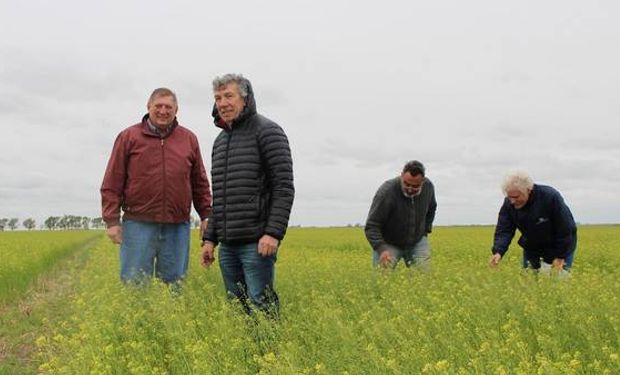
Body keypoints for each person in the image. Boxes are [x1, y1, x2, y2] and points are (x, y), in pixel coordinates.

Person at [201, 74, 294, 317]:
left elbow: (283, 187)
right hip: (228, 244)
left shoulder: (268, 131)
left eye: (229, 96)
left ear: (245, 98)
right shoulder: (220, 142)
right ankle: (247, 353)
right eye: (218, 98)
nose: (223, 103)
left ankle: (270, 353)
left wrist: (272, 233)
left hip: (257, 241)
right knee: (236, 306)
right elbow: (219, 196)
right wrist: (210, 239)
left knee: (261, 304)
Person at [101, 88, 212, 284]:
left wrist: (206, 215)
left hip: (177, 225)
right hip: (138, 224)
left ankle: (169, 316)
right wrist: (111, 220)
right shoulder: (128, 137)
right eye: (158, 106)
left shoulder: (189, 139)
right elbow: (112, 180)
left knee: (174, 286)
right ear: (148, 107)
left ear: (176, 109)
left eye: (168, 107)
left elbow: (199, 182)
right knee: (134, 285)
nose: (163, 111)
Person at [489, 170, 577, 272]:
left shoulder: (550, 197)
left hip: (559, 246)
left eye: (516, 197)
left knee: (558, 282)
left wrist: (560, 257)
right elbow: (504, 229)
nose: (512, 201)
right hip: (532, 247)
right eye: (509, 197)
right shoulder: (509, 204)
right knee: (530, 281)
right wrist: (498, 252)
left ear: (528, 190)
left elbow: (565, 229)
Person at [365, 160, 437, 270]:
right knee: (382, 279)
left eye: (415, 186)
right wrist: (381, 248)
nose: (410, 189)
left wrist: (425, 231)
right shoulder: (387, 191)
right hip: (389, 243)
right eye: (407, 184)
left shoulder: (428, 187)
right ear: (402, 176)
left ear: (422, 181)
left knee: (424, 279)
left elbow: (432, 208)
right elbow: (372, 225)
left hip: (417, 242)